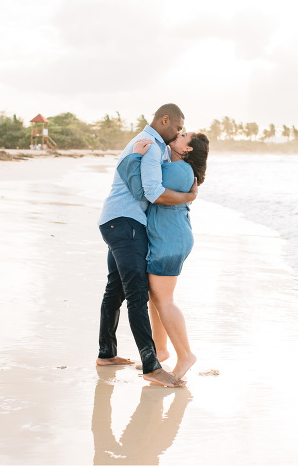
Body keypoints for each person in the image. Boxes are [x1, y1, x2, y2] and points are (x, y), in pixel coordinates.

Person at [96, 103, 197, 387]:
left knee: (115, 289)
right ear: (164, 120)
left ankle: (106, 353)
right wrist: (189, 197)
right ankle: (152, 366)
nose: (178, 133)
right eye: (177, 128)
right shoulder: (151, 145)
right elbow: (152, 192)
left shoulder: (153, 145)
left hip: (116, 221)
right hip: (125, 223)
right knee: (137, 294)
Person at [116, 131, 210, 380]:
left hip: (170, 240)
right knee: (156, 297)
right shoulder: (177, 167)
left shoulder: (178, 170)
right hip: (168, 237)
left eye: (185, 136)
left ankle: (186, 355)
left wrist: (136, 157)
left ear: (187, 149)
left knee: (164, 299)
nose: (180, 134)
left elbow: (144, 188)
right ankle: (160, 349)